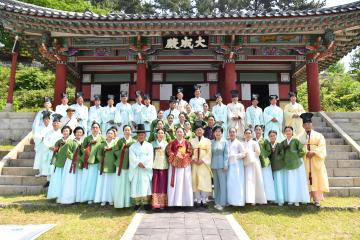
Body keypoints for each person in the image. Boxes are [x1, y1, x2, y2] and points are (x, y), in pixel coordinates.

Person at [298, 112, 329, 207]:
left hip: (315, 160)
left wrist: (314, 152)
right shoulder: (299, 137)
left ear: (312, 124)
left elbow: (322, 146)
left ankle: (317, 199)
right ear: (303, 125)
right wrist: (306, 152)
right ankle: (305, 198)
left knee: (316, 179)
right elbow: (299, 147)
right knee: (305, 178)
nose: (307, 126)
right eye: (305, 124)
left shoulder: (319, 136)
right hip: (305, 160)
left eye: (309, 124)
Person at [282, 126, 310, 206]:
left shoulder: (296, 140)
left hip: (297, 163)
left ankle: (298, 199)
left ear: (292, 131)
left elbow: (303, 150)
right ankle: (291, 199)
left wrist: (296, 156)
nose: (288, 132)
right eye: (286, 131)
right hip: (288, 164)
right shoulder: (284, 142)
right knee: (290, 181)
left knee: (297, 180)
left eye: (289, 130)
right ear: (285, 133)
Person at [166, 127, 193, 207]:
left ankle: (186, 203)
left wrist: (183, 156)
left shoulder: (187, 143)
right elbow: (168, 151)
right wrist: (174, 155)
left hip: (185, 166)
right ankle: (174, 203)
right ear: (175, 133)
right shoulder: (171, 143)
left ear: (184, 133)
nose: (179, 133)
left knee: (185, 183)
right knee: (175, 183)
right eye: (178, 132)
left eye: (181, 132)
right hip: (174, 165)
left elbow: (190, 152)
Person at [129, 124, 154, 210]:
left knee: (146, 184)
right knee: (136, 184)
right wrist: (138, 163)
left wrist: (144, 164)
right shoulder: (132, 146)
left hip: (145, 168)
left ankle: (146, 203)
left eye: (142, 134)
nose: (141, 136)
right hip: (136, 168)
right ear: (137, 135)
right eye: (139, 135)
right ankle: (137, 203)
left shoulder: (149, 146)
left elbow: (150, 157)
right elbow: (132, 157)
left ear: (145, 135)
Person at [80, 122, 105, 204]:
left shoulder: (102, 138)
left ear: (99, 129)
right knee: (90, 180)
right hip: (90, 162)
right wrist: (87, 153)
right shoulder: (87, 138)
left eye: (97, 127)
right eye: (93, 127)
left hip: (99, 162)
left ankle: (97, 197)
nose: (95, 129)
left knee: (98, 180)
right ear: (91, 129)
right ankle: (89, 197)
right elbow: (82, 148)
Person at [58, 126, 85, 204]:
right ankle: (68, 198)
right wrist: (74, 158)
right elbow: (68, 152)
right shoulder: (71, 142)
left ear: (82, 134)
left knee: (78, 179)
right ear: (74, 133)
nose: (79, 134)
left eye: (80, 132)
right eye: (77, 132)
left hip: (79, 163)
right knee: (70, 180)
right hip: (71, 162)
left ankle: (78, 198)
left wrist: (81, 158)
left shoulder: (83, 142)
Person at [47, 126, 74, 201]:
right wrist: (55, 149)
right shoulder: (59, 141)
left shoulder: (72, 141)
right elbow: (54, 149)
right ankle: (57, 194)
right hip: (59, 161)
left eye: (67, 131)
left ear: (70, 132)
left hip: (68, 161)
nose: (65, 132)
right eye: (64, 131)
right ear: (62, 132)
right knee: (58, 178)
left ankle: (65, 195)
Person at [190, 120, 212, 208]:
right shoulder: (191, 141)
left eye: (201, 130)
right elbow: (189, 152)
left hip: (204, 164)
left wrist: (202, 160)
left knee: (204, 181)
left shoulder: (207, 141)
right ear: (195, 131)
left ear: (203, 131)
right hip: (195, 164)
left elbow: (209, 152)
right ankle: (198, 200)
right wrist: (194, 159)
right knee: (195, 180)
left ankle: (204, 199)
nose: (199, 131)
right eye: (197, 130)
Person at [113, 125, 136, 208]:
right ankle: (120, 203)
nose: (127, 131)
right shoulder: (120, 141)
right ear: (123, 131)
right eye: (125, 130)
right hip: (121, 165)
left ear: (131, 131)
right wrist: (122, 150)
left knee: (129, 184)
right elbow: (115, 151)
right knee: (120, 184)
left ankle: (128, 203)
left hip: (130, 165)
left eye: (128, 130)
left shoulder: (134, 141)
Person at [243, 129, 267, 205]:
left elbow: (258, 153)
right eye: (246, 133)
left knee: (254, 180)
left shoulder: (254, 143)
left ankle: (254, 199)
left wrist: (249, 153)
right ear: (244, 134)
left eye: (249, 133)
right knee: (247, 180)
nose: (248, 134)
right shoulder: (243, 143)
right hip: (246, 164)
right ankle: (247, 198)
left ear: (251, 134)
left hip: (254, 163)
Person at [94, 128, 118, 206]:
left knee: (111, 183)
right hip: (103, 166)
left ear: (114, 135)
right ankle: (103, 199)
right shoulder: (102, 144)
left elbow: (118, 155)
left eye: (111, 133)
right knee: (103, 183)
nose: (110, 135)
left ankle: (111, 199)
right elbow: (98, 154)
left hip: (112, 166)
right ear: (106, 135)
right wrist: (101, 160)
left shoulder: (116, 144)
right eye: (108, 133)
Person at [254, 125, 276, 203]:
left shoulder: (265, 141)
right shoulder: (253, 140)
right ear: (254, 131)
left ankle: (269, 197)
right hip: (256, 162)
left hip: (265, 163)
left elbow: (269, 151)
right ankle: (259, 197)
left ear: (262, 131)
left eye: (259, 129)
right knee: (259, 180)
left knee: (267, 180)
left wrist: (262, 155)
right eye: (256, 129)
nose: (258, 131)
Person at [40, 114, 63, 184]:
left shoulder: (62, 133)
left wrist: (58, 148)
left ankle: (57, 181)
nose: (56, 124)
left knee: (57, 166)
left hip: (59, 152)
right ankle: (49, 181)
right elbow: (45, 141)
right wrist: (50, 147)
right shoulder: (48, 133)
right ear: (52, 124)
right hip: (50, 151)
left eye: (57, 123)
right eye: (54, 123)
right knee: (49, 166)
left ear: (60, 124)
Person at [227, 127, 246, 206]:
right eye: (230, 132)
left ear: (236, 133)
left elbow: (244, 153)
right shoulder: (227, 142)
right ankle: (230, 201)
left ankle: (238, 202)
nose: (232, 133)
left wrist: (235, 156)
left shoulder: (239, 143)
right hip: (229, 166)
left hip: (237, 166)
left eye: (233, 132)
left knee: (237, 183)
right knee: (230, 183)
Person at [211, 125, 228, 210]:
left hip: (222, 166)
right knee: (216, 185)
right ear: (214, 133)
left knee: (222, 184)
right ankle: (217, 202)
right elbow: (210, 155)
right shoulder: (211, 142)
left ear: (222, 133)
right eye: (216, 131)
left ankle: (222, 203)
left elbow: (226, 154)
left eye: (219, 131)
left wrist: (225, 164)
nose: (218, 133)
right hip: (214, 165)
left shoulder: (225, 142)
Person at [151, 128, 168, 209]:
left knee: (162, 185)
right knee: (155, 185)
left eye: (162, 133)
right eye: (159, 133)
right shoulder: (152, 144)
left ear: (164, 134)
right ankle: (155, 204)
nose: (160, 134)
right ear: (156, 134)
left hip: (164, 167)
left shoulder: (167, 143)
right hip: (154, 166)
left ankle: (162, 204)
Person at [268, 130, 286, 206]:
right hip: (270, 166)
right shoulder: (268, 144)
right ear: (268, 137)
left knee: (278, 182)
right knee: (272, 183)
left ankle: (280, 199)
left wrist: (276, 159)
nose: (272, 137)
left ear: (276, 136)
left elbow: (282, 154)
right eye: (271, 136)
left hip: (278, 166)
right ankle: (273, 198)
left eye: (274, 135)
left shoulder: (279, 144)